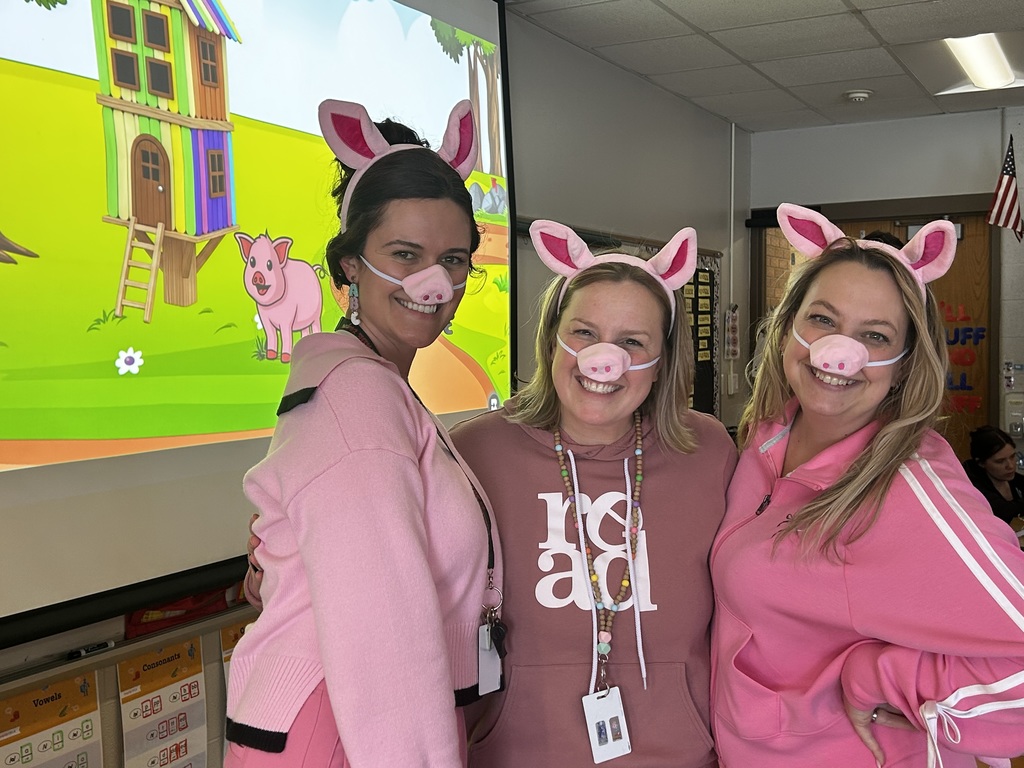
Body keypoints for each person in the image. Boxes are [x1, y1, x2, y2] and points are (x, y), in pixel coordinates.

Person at [225, 98, 503, 768]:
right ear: (351, 264)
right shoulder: (359, 397)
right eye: (404, 254)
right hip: (349, 727)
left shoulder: (373, 384)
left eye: (454, 260)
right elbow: (386, 643)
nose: (433, 283)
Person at [711, 203, 1024, 768]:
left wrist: (880, 674)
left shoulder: (907, 488)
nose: (841, 352)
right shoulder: (766, 437)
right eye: (823, 320)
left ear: (905, 364)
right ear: (787, 328)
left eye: (875, 336)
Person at [452, 220, 737, 767]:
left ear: (661, 363)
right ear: (554, 337)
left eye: (633, 342)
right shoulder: (477, 452)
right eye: (584, 332)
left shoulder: (708, 451)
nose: (604, 359)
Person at [964, 425, 1024, 526]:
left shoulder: (1012, 478)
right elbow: (1004, 512)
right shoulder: (972, 487)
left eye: (1012, 457)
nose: (1010, 465)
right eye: (1000, 461)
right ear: (981, 463)